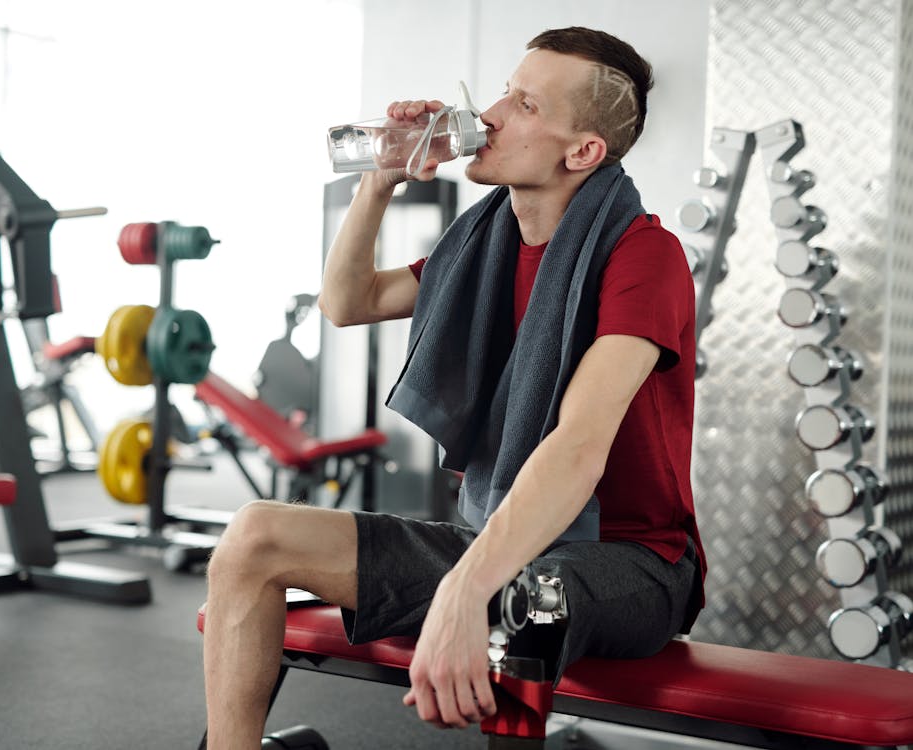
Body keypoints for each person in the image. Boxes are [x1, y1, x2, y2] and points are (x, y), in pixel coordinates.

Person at [202, 26, 706, 748]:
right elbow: (346, 303)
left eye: (525, 104)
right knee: (254, 535)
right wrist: (381, 178)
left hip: (632, 563)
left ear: (582, 151)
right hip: (496, 542)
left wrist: (467, 588)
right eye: (504, 89)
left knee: (529, 598)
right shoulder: (481, 246)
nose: (492, 114)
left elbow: (579, 442)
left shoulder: (642, 255)